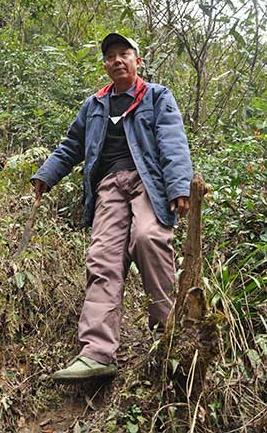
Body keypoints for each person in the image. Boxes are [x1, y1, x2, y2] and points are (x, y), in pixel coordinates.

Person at [31, 33, 193, 382]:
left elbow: (173, 142)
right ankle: (98, 353)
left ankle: (169, 334)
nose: (117, 60)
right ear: (105, 65)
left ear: (137, 60)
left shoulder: (156, 96)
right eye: (111, 56)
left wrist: (179, 187)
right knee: (103, 258)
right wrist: (46, 176)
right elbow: (71, 146)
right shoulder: (94, 105)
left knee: (149, 238)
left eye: (124, 54)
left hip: (148, 182)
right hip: (109, 187)